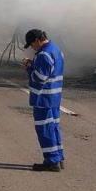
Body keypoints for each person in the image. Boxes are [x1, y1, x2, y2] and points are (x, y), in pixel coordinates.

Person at [22, 28, 65, 172]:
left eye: (32, 45)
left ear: (37, 40)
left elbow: (38, 78)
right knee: (53, 128)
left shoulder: (44, 55)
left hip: (43, 99)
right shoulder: (56, 50)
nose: (32, 48)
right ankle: (59, 157)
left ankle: (52, 161)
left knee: (45, 129)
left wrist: (29, 67)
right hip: (54, 98)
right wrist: (34, 63)